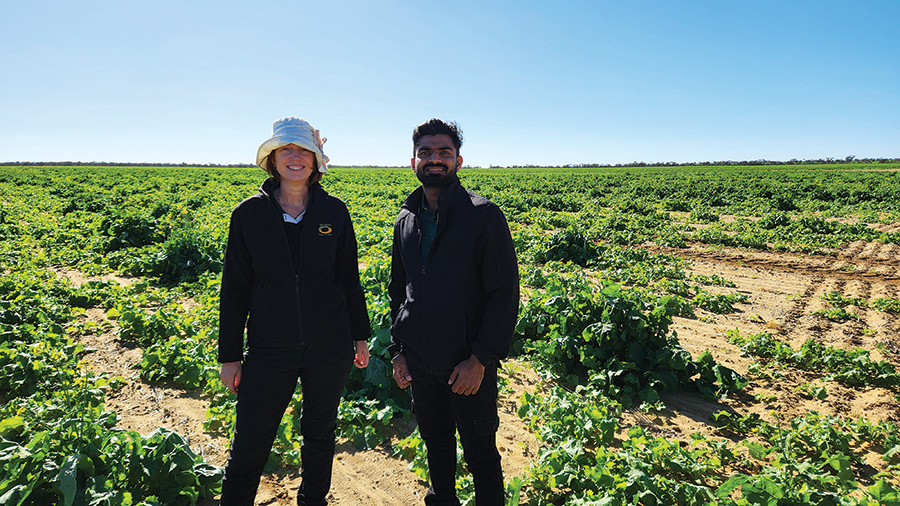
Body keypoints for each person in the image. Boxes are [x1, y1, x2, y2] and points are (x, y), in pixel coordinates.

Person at [218, 117, 370, 506]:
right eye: (287, 149)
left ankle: (312, 501)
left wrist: (360, 335)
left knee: (319, 435)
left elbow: (348, 278)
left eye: (304, 150)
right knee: (252, 439)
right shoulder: (248, 214)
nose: (296, 157)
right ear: (272, 159)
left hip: (329, 345)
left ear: (316, 160)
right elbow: (234, 289)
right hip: (270, 347)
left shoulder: (334, 212)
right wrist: (230, 357)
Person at [388, 119, 519, 506]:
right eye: (425, 152)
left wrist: (480, 358)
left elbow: (504, 293)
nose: (435, 159)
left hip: (467, 366)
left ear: (459, 161)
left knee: (481, 454)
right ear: (412, 161)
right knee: (437, 445)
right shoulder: (406, 219)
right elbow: (399, 290)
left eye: (444, 152)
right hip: (421, 363)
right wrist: (398, 350)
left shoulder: (483, 216)